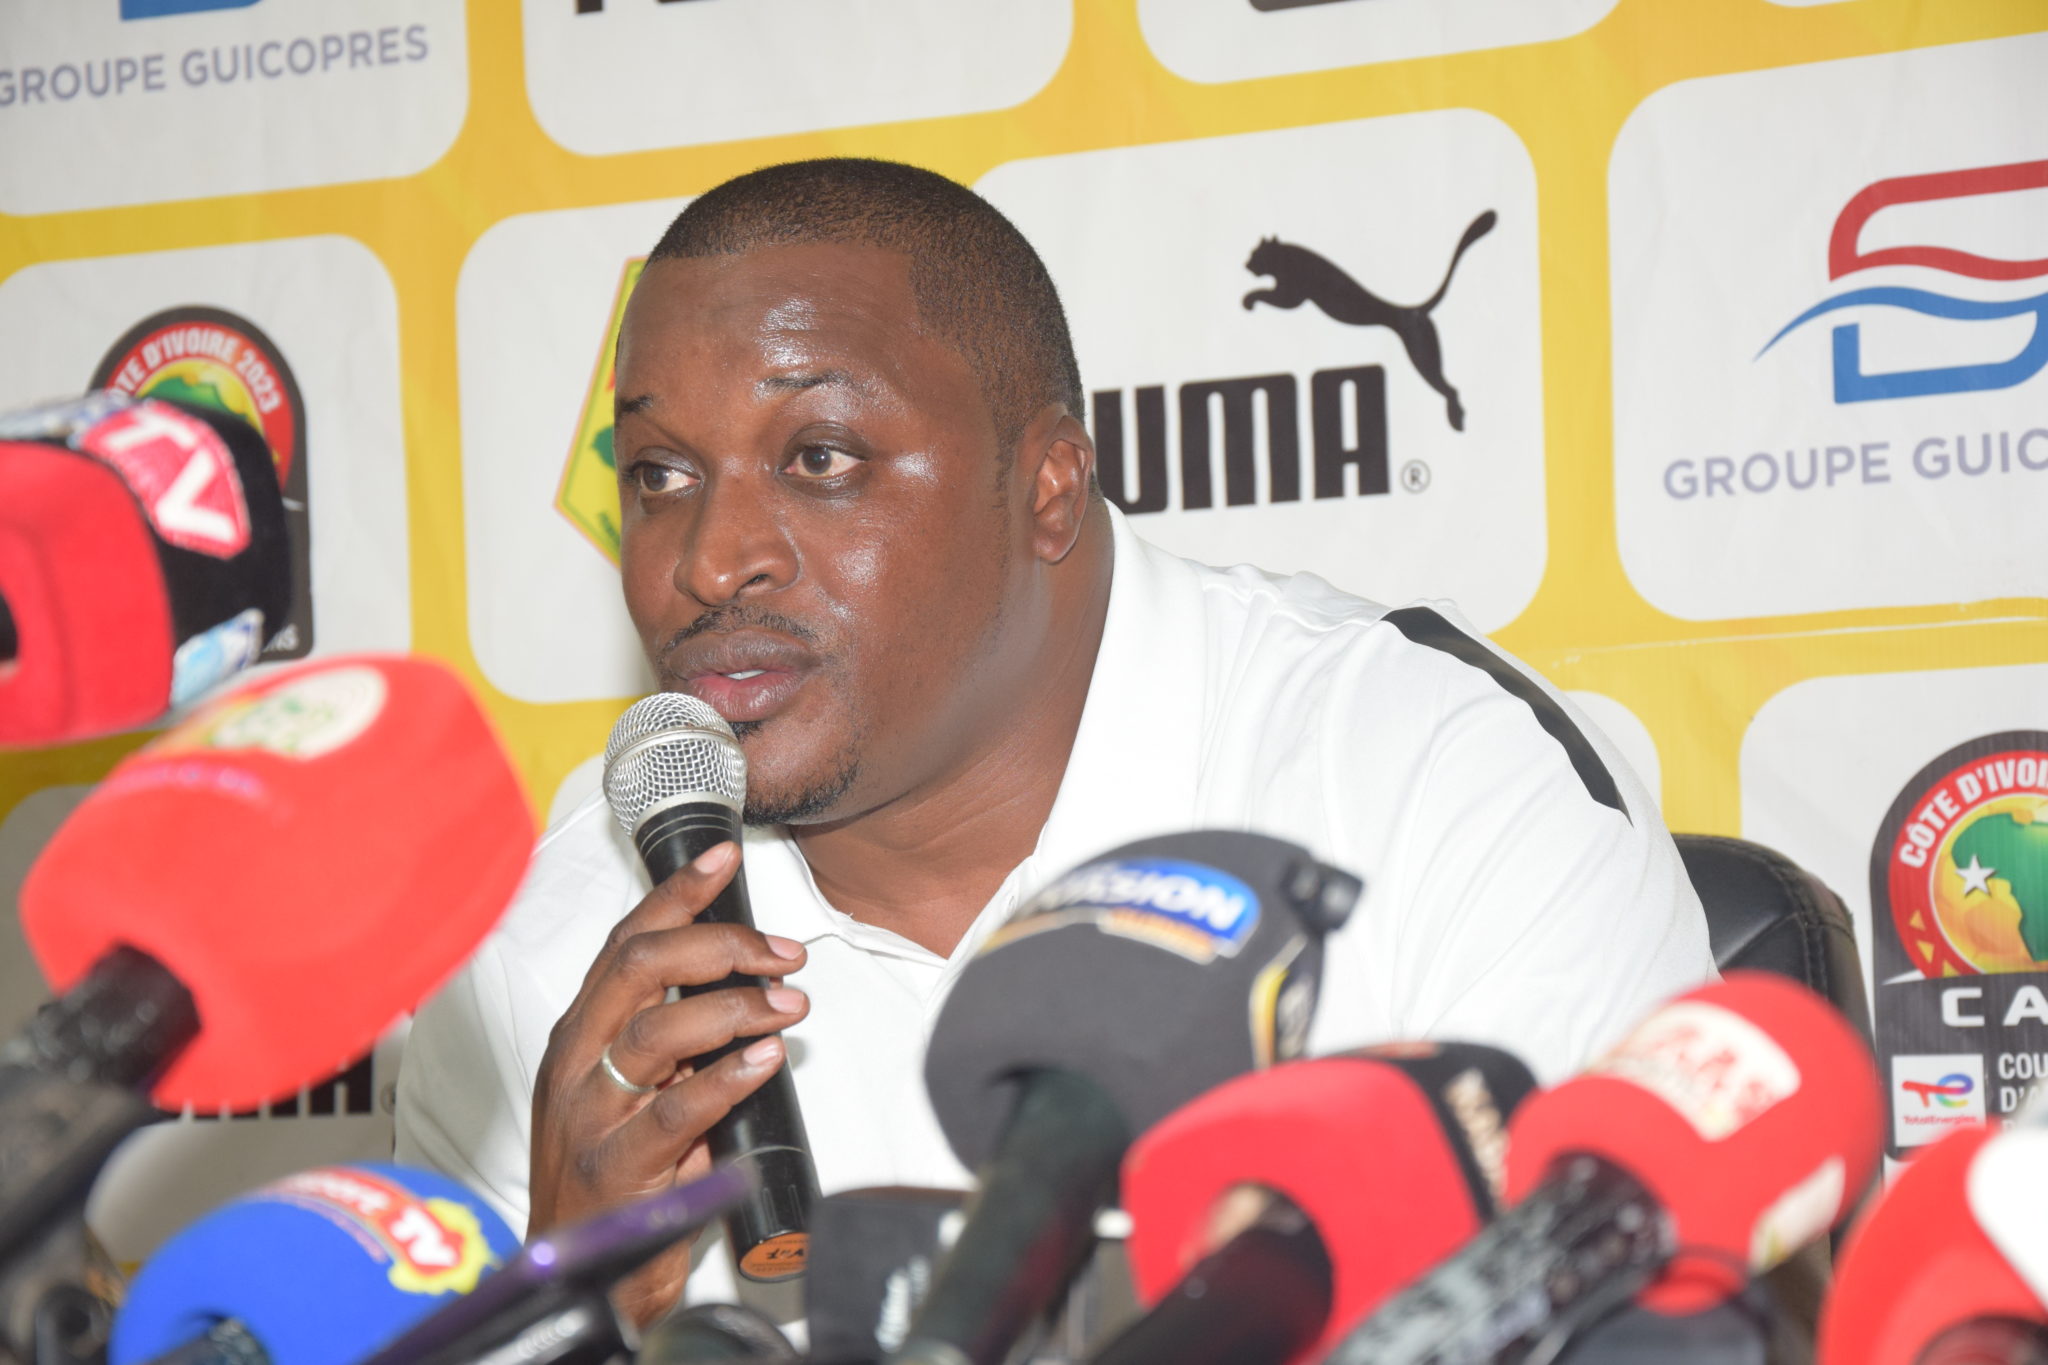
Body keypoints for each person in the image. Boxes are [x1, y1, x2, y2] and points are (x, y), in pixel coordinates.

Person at [395, 157, 1714, 1328]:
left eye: (821, 457)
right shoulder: (543, 968)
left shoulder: (1435, 782)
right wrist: (571, 1311)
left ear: (1047, 488)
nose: (709, 558)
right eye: (660, 473)